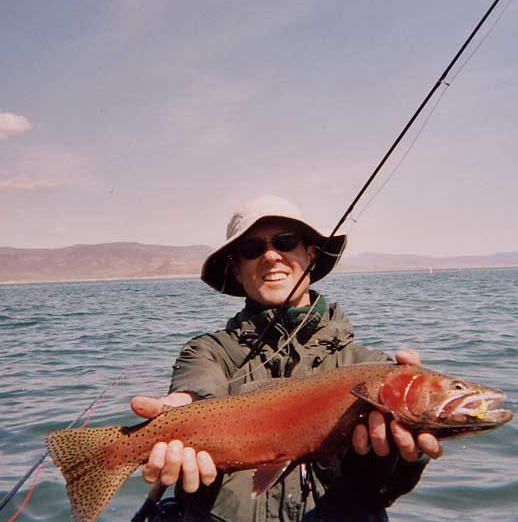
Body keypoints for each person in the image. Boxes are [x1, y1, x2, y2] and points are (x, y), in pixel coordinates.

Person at [130, 195, 442, 522]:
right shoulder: (207, 352)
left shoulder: (369, 366)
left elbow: (383, 491)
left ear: (310, 254)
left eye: (285, 242)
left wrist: (407, 454)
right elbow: (196, 392)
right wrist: (179, 413)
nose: (270, 255)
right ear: (236, 270)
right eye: (252, 249)